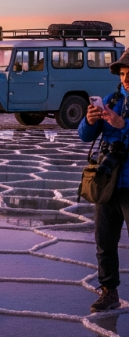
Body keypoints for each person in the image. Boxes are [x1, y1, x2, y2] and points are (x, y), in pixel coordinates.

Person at [78, 49, 129, 313]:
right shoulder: (113, 99)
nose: (126, 78)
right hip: (109, 182)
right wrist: (89, 120)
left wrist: (123, 125)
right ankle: (109, 292)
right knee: (104, 241)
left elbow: (121, 128)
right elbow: (85, 136)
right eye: (122, 73)